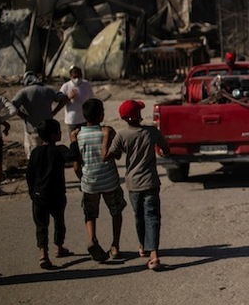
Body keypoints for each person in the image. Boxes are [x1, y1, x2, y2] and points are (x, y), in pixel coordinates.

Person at [105, 99, 170, 271]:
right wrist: (164, 151)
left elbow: (111, 155)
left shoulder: (121, 135)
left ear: (124, 118)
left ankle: (142, 245)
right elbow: (165, 148)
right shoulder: (151, 132)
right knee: (153, 216)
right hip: (150, 182)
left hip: (133, 184)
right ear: (139, 115)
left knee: (138, 215)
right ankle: (154, 253)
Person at [70, 98, 123, 263]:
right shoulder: (108, 131)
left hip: (89, 181)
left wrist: (82, 179)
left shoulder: (78, 136)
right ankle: (115, 245)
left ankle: (92, 239)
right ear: (101, 115)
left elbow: (76, 165)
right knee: (116, 212)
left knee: (90, 214)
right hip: (110, 181)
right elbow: (118, 154)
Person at [27, 119, 72, 269]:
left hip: (39, 195)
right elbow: (72, 156)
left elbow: (30, 175)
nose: (60, 134)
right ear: (54, 136)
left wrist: (32, 192)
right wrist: (74, 141)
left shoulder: (35, 152)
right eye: (58, 131)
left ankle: (43, 254)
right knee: (59, 222)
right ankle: (59, 247)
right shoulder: (60, 150)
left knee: (41, 225)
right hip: (57, 194)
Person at [12, 71, 68, 159]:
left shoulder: (24, 92)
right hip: (48, 128)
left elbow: (12, 105)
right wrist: (55, 111)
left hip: (32, 128)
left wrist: (23, 116)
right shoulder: (49, 89)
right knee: (49, 154)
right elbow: (64, 98)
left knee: (35, 154)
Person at [58, 66, 94, 132]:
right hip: (72, 120)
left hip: (84, 119)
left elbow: (90, 100)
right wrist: (69, 97)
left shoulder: (86, 85)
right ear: (70, 76)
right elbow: (60, 103)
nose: (77, 79)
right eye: (74, 77)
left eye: (79, 77)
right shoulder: (66, 86)